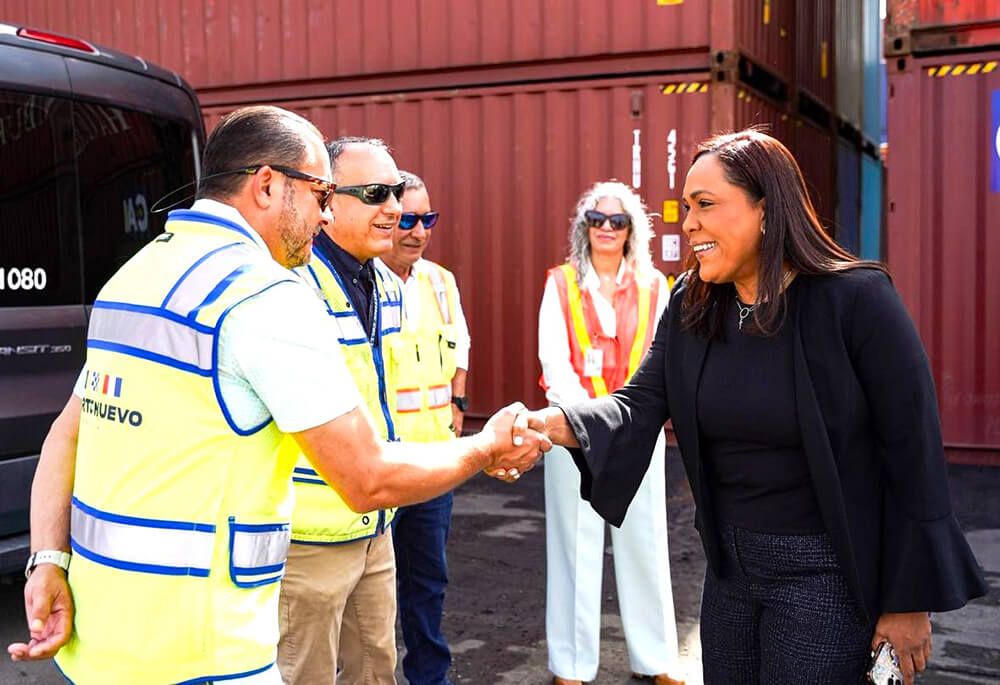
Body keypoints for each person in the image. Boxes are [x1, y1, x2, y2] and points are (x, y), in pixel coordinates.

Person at [6, 106, 549, 685]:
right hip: (208, 654)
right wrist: (485, 448)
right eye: (321, 195)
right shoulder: (263, 295)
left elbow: (67, 434)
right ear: (267, 185)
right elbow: (366, 477)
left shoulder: (132, 276)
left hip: (107, 647)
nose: (324, 214)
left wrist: (47, 561)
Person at [512, 130, 987, 685]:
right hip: (729, 574)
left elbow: (915, 457)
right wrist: (554, 423)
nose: (687, 224)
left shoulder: (856, 301)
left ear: (766, 208)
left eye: (705, 205)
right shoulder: (692, 302)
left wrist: (910, 600)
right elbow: (639, 402)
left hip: (825, 577)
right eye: (686, 208)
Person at [537, 181, 684, 685]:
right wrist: (588, 425)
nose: (605, 228)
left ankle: (657, 659)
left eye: (616, 221)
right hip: (571, 432)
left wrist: (623, 425)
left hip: (638, 435)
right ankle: (571, 666)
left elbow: (661, 361)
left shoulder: (655, 287)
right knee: (573, 548)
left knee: (646, 544)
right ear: (584, 229)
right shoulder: (559, 284)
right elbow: (555, 364)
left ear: (631, 231)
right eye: (595, 220)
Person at [278, 136, 407, 685]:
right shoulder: (287, 287)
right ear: (328, 203)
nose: (396, 209)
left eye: (397, 192)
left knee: (378, 670)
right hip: (309, 541)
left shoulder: (391, 287)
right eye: (376, 193)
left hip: (376, 525)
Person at [378, 170, 470, 685]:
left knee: (427, 581)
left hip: (434, 461)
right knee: (372, 588)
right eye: (408, 219)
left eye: (427, 219)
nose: (418, 231)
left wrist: (458, 404)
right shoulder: (365, 283)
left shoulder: (440, 281)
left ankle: (430, 677)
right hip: (383, 462)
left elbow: (460, 345)